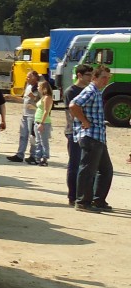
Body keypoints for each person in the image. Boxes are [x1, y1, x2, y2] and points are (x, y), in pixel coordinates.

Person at [69, 65, 114, 212]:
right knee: (88, 170)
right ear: (94, 78)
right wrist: (84, 121)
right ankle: (82, 202)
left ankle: (98, 200)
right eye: (103, 78)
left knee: (106, 170)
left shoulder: (96, 92)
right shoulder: (90, 91)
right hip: (90, 136)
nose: (106, 81)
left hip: (98, 137)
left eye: (108, 78)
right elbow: (74, 105)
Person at [63, 64, 93, 205]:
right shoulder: (71, 91)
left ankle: (84, 195)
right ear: (79, 75)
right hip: (74, 132)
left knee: (86, 164)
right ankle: (72, 196)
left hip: (87, 132)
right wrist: (83, 121)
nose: (91, 77)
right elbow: (72, 113)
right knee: (74, 164)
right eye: (88, 75)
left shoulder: (89, 90)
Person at [8, 70, 40, 162]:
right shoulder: (28, 86)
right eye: (27, 77)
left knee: (32, 136)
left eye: (29, 77)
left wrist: (34, 98)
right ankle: (19, 155)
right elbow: (24, 99)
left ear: (35, 77)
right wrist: (12, 97)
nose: (27, 78)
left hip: (33, 115)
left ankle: (33, 155)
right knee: (23, 135)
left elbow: (42, 102)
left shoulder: (39, 87)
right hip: (25, 114)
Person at [33, 78, 53, 165]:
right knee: (38, 141)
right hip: (37, 120)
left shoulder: (47, 97)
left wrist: (42, 123)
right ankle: (38, 157)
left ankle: (44, 158)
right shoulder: (43, 97)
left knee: (43, 141)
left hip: (43, 122)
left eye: (38, 86)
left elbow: (46, 111)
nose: (37, 88)